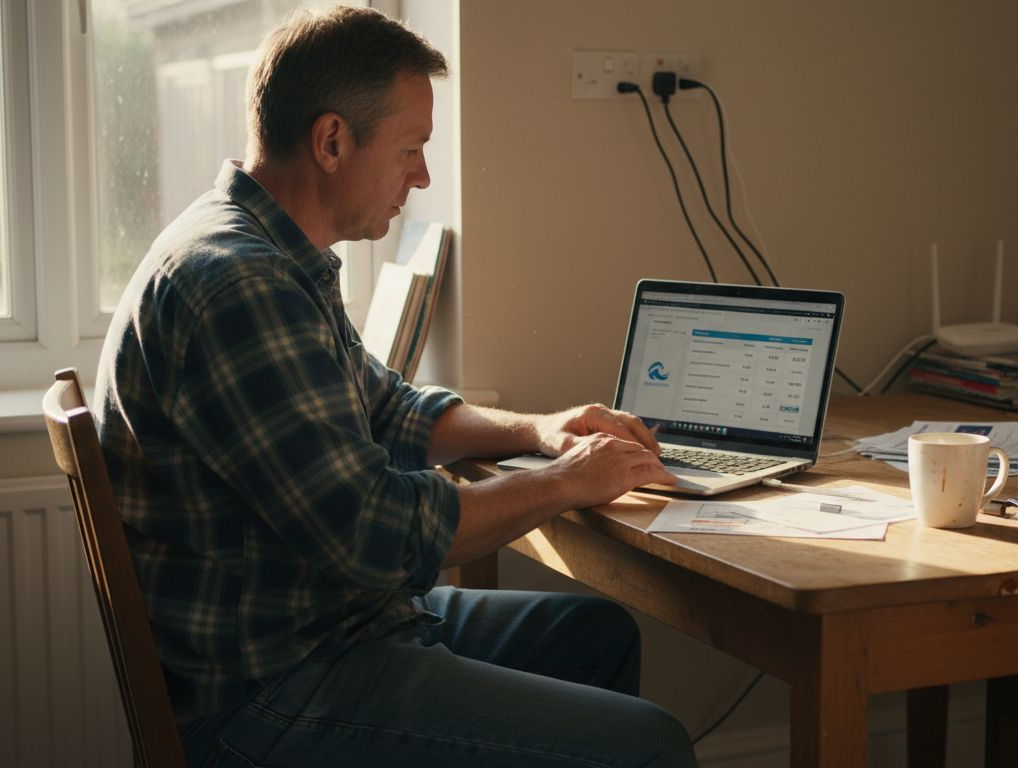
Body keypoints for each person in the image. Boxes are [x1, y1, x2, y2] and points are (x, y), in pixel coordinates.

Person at [93, 6, 697, 766]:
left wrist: (540, 430)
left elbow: (387, 407)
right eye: (411, 148)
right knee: (650, 745)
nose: (423, 175)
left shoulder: (267, 251)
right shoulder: (240, 283)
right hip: (273, 692)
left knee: (595, 638)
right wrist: (567, 483)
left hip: (333, 627)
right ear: (332, 140)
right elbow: (376, 535)